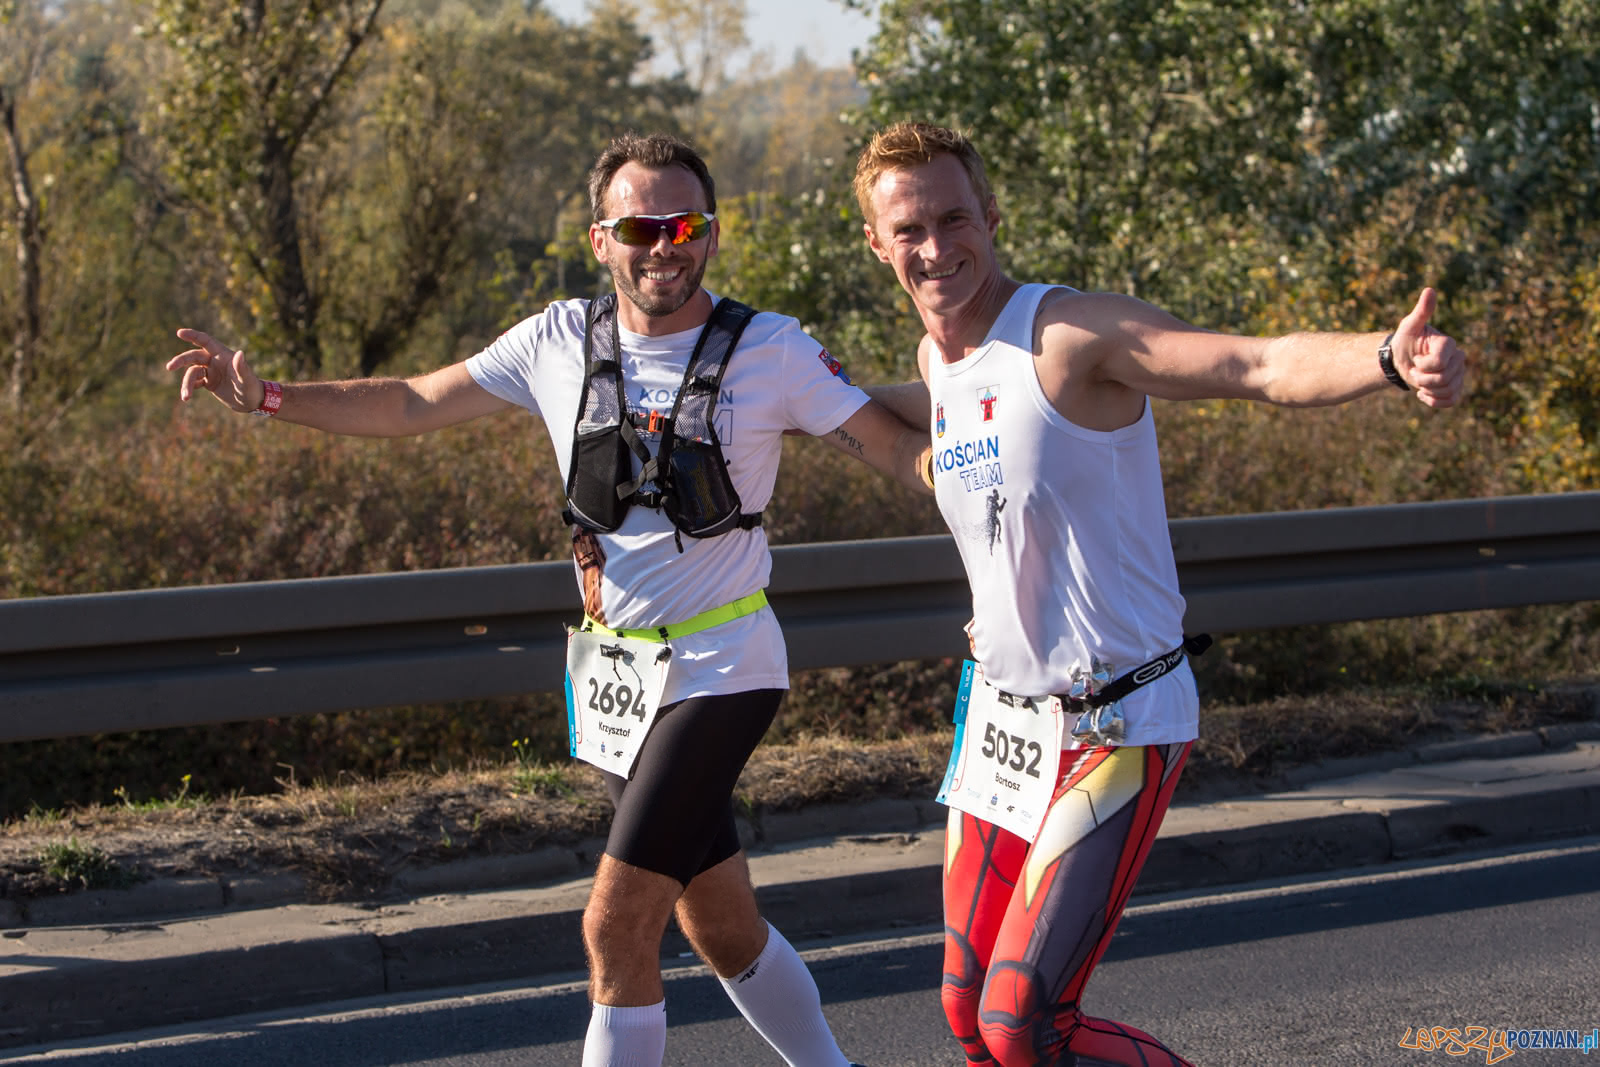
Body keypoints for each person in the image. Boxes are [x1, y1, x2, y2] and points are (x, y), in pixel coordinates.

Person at [167, 132, 929, 1067]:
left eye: (684, 224)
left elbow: (891, 446)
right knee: (722, 926)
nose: (665, 246)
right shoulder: (557, 341)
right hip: (617, 679)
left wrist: (972, 468)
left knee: (614, 927)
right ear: (601, 238)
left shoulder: (769, 349)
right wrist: (272, 397)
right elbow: (411, 400)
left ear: (714, 234)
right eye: (641, 226)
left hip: (725, 666)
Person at [849, 121, 1466, 1067]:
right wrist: (804, 396)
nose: (936, 248)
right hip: (1004, 729)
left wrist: (1387, 358)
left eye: (954, 217)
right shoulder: (940, 367)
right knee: (969, 1015)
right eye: (909, 231)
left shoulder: (1072, 337)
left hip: (1117, 724)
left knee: (1023, 1022)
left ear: (992, 214)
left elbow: (1251, 364)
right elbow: (937, 403)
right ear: (877, 244)